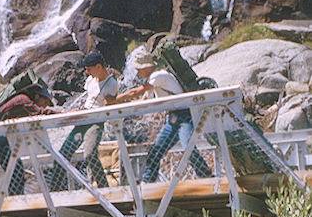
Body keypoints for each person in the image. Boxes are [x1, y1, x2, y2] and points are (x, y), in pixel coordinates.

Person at [117, 51, 212, 182]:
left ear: (147, 67)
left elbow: (136, 92)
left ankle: (207, 177)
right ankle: (147, 182)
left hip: (184, 116)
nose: (138, 73)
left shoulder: (158, 76)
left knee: (188, 149)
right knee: (155, 152)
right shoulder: (152, 80)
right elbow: (143, 101)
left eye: (139, 70)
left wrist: (115, 99)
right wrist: (123, 106)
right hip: (173, 119)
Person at [49, 51, 118, 191]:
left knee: (90, 154)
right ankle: (54, 189)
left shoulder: (111, 84)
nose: (86, 72)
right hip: (82, 119)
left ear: (98, 67)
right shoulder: (91, 80)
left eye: (89, 69)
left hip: (95, 122)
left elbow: (107, 107)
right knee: (63, 153)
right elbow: (88, 100)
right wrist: (78, 111)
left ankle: (104, 188)